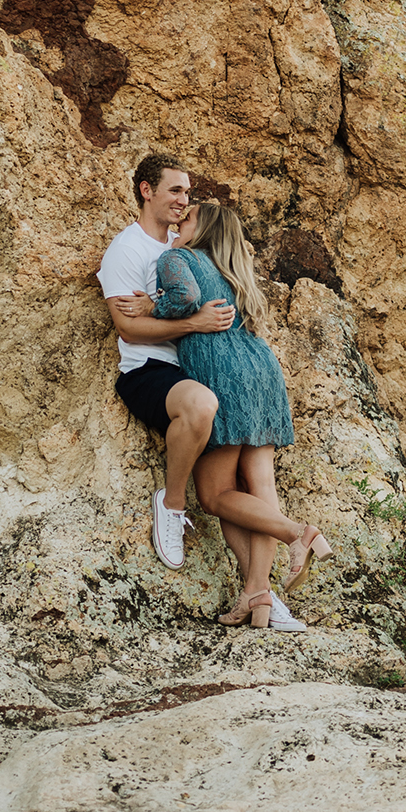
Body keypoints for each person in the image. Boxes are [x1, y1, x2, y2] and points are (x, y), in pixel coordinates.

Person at [153, 202, 333, 628]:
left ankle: (297, 533)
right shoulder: (233, 268)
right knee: (258, 485)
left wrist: (149, 308)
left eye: (189, 218)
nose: (179, 222)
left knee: (215, 495)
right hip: (260, 370)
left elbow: (184, 298)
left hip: (221, 372)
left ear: (204, 229)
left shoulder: (177, 257)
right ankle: (258, 595)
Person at [98, 153, 233, 571]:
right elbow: (129, 330)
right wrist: (196, 322)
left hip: (199, 366)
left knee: (239, 474)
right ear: (146, 191)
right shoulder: (126, 250)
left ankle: (260, 591)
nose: (183, 200)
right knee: (201, 405)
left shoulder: (185, 245)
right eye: (175, 190)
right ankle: (172, 504)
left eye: (187, 192)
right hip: (148, 371)